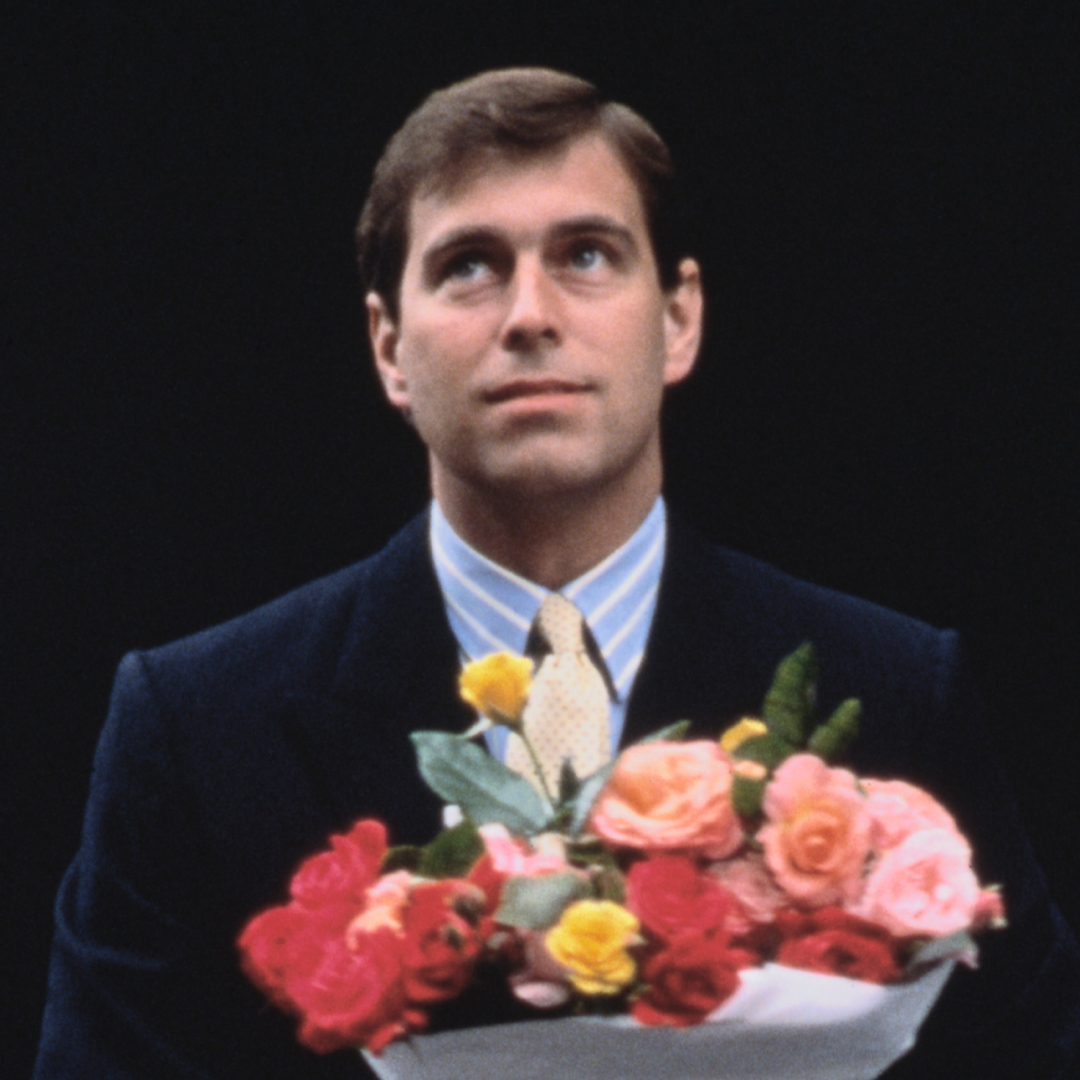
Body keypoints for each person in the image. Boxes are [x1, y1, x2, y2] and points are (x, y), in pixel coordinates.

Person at [34, 67, 1080, 1080]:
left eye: (585, 255)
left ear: (678, 319)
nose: (529, 313)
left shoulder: (896, 690)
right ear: (389, 347)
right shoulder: (197, 727)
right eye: (470, 266)